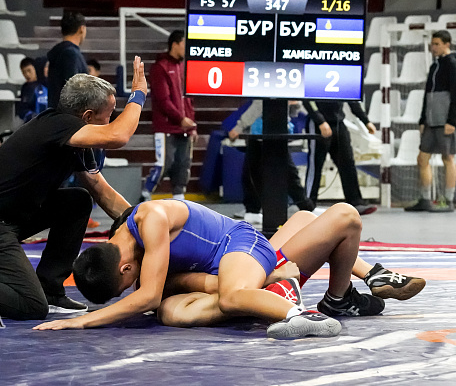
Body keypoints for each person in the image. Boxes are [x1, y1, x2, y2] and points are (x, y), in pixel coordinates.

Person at [0, 56, 148, 320]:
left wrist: (143, 223)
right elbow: (118, 135)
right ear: (87, 116)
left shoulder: (73, 141)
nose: (111, 121)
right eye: (109, 115)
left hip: (10, 216)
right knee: (31, 305)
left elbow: (101, 191)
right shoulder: (57, 125)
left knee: (78, 201)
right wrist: (138, 95)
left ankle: (51, 290)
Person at [33, 200, 425, 337]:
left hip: (239, 245)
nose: (130, 290)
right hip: (227, 263)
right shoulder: (123, 240)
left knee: (230, 296)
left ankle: (300, 315)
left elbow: (147, 295)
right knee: (171, 311)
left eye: (125, 286)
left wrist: (84, 321)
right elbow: (166, 290)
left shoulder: (150, 220)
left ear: (123, 268)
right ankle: (281, 284)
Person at [228, 100, 315, 224]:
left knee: (259, 173)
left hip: (271, 132)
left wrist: (239, 127)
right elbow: (258, 106)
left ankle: (305, 207)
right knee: (261, 173)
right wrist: (239, 127)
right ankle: (253, 210)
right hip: (264, 133)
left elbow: (291, 109)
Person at [141, 30, 197, 201]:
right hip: (166, 127)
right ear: (175, 44)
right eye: (184, 44)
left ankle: (179, 198)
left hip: (184, 127)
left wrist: (192, 125)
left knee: (183, 164)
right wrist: (180, 119)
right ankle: (145, 193)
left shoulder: (184, 67)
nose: (187, 48)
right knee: (165, 163)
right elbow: (162, 99)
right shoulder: (160, 67)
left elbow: (188, 100)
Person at [405, 30, 456, 212]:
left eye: (436, 44)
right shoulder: (435, 65)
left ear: (446, 44)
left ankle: (449, 200)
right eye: (432, 44)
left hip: (445, 121)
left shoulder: (452, 64)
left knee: (447, 158)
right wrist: (423, 119)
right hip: (430, 121)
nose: (433, 48)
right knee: (422, 158)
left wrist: (452, 121)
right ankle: (425, 198)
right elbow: (428, 95)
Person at [302, 100, 378, 215]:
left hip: (338, 123)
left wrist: (365, 121)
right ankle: (308, 204)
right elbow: (308, 100)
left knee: (347, 163)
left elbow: (352, 99)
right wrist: (320, 120)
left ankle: (355, 202)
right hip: (318, 125)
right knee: (315, 164)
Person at [47, 11, 88, 109]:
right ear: (82, 29)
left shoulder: (59, 52)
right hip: (68, 115)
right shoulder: (71, 54)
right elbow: (73, 91)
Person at [16, 57, 48, 126]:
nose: (27, 74)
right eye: (24, 72)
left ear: (35, 69)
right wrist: (31, 116)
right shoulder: (25, 88)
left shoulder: (47, 84)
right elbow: (22, 109)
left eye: (29, 70)